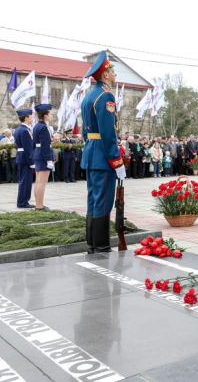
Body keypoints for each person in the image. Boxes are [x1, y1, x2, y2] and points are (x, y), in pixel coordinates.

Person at [81, 50, 126, 253]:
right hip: (103, 157)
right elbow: (108, 134)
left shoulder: (89, 96)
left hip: (91, 153)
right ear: (105, 74)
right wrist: (117, 161)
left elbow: (85, 132)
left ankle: (92, 244)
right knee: (103, 202)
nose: (115, 74)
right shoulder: (106, 96)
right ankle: (101, 246)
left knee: (93, 200)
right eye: (113, 71)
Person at [31, 104, 54, 210]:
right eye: (50, 114)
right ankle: (40, 206)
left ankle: (38, 204)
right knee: (42, 183)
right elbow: (45, 145)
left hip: (38, 153)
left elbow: (33, 143)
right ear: (45, 115)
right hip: (43, 155)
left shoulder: (37, 126)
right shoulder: (44, 127)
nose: (51, 116)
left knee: (38, 182)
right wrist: (49, 159)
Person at [15, 110, 35, 207]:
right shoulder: (24, 130)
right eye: (31, 117)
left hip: (21, 156)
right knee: (26, 181)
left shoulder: (19, 129)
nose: (32, 118)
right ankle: (23, 202)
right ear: (26, 118)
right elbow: (27, 148)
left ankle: (22, 201)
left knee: (23, 180)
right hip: (25, 158)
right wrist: (31, 161)